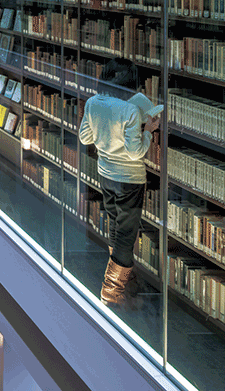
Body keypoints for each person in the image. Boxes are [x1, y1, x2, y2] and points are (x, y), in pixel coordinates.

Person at [79, 57, 159, 309]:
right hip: (129, 179)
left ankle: (127, 283)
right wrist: (149, 130)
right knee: (125, 236)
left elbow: (84, 137)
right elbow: (136, 153)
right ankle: (111, 293)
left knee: (116, 227)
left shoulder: (93, 103)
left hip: (105, 174)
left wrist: (103, 134)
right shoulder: (131, 111)